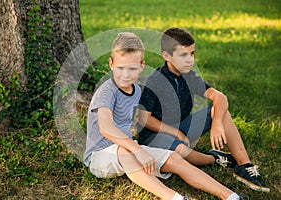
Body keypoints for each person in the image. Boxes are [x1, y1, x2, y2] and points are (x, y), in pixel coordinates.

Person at [83, 32, 244, 200]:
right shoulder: (106, 91)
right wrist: (138, 150)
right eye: (120, 68)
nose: (126, 75)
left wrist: (140, 148)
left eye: (132, 69)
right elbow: (106, 127)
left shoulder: (136, 89)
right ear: (111, 64)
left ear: (142, 66)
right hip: (101, 156)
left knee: (174, 158)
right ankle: (175, 198)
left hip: (131, 148)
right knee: (125, 150)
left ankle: (231, 196)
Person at [137, 27, 270, 193]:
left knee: (220, 111)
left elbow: (220, 97)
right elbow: (144, 119)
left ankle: (244, 165)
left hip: (182, 128)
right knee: (186, 153)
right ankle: (214, 158)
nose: (190, 60)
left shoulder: (189, 76)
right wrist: (175, 133)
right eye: (183, 55)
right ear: (167, 56)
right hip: (155, 136)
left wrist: (217, 124)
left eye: (192, 54)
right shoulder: (155, 80)